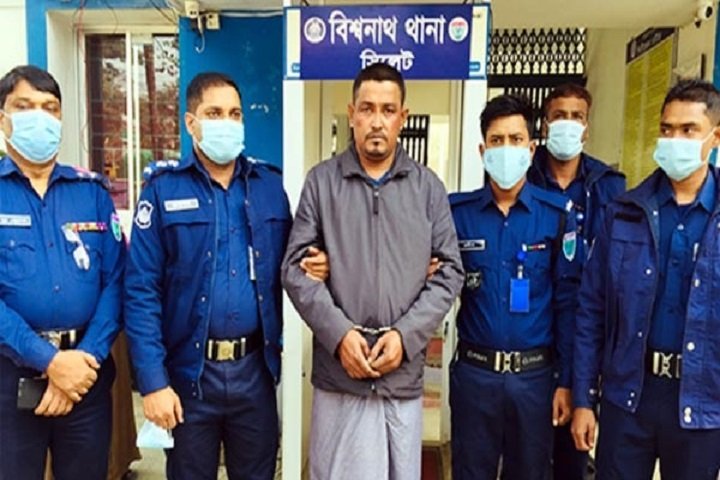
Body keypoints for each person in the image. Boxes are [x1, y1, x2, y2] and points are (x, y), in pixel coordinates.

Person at [125, 72, 319, 480]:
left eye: (234, 114)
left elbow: (295, 259)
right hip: (189, 376)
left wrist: (322, 261)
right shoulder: (162, 190)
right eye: (214, 113)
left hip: (255, 373)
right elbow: (141, 292)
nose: (226, 123)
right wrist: (153, 383)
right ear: (191, 122)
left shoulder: (268, 187)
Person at [282, 63, 464, 480]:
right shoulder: (322, 183)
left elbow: (450, 271)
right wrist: (340, 335)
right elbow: (295, 268)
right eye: (367, 109)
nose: (377, 121)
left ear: (403, 117)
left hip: (401, 375)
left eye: (388, 110)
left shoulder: (427, 188)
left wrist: (404, 336)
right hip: (340, 376)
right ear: (352, 114)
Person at [572, 79, 720, 479]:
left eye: (688, 130)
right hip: (629, 396)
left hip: (702, 403)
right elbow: (592, 309)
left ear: (715, 137)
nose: (675, 140)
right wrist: (584, 398)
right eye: (667, 129)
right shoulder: (625, 211)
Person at [0, 65, 125, 479]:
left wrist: (84, 360)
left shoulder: (91, 193)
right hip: (9, 380)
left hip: (86, 380)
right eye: (25, 106)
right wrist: (50, 361)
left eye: (50, 107)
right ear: (3, 118)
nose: (40, 117)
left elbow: (116, 281)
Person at [449, 94, 581, 480]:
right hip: (476, 376)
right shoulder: (456, 215)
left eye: (516, 139)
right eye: (497, 140)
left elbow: (568, 304)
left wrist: (567, 382)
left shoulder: (556, 216)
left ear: (531, 148)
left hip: (534, 380)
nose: (506, 148)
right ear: (482, 150)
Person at [527, 83, 626, 479]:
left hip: (586, 332)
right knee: (528, 456)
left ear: (587, 127)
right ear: (545, 124)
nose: (567, 124)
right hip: (534, 332)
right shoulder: (524, 177)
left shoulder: (609, 186)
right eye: (559, 116)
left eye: (576, 117)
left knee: (572, 456)